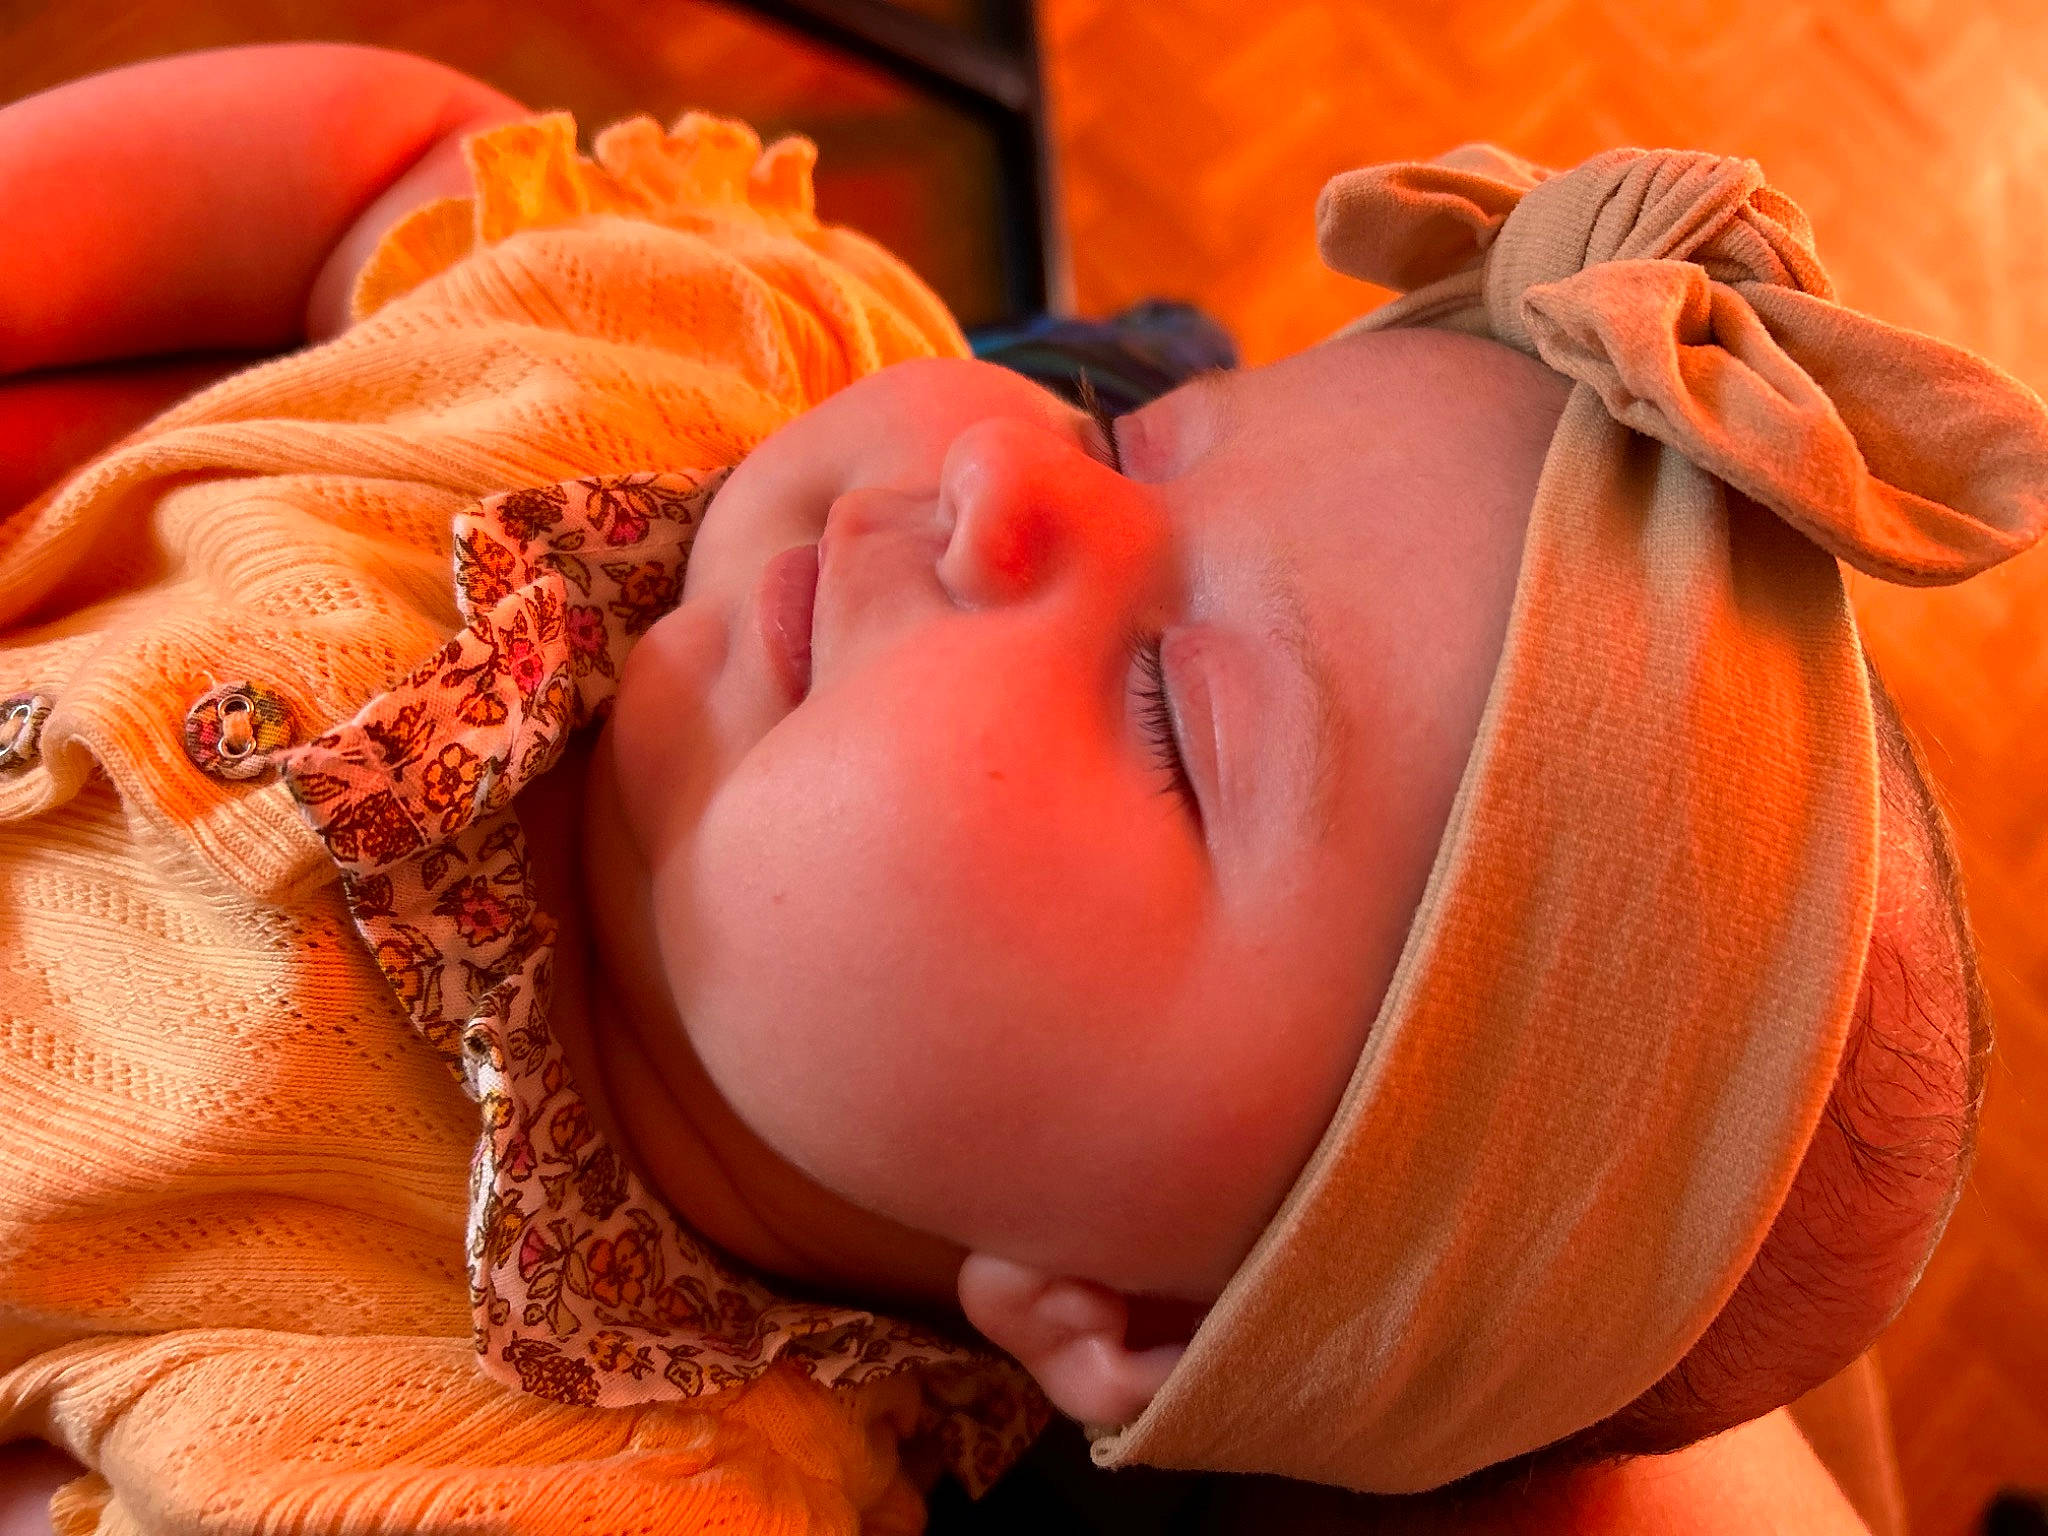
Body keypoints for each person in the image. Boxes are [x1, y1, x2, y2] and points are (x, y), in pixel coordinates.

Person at [0, 42, 2031, 1534]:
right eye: (1149, 447)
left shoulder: (534, 1470)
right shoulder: (711, 358)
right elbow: (375, 164)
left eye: (1172, 723)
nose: (1005, 484)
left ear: (1124, 1312)